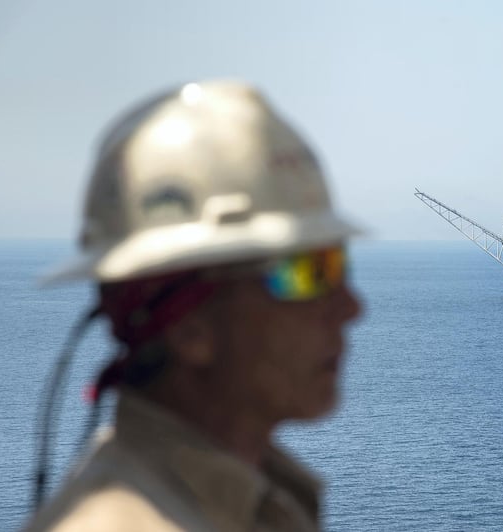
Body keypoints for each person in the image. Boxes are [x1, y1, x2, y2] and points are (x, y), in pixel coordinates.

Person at [24, 80, 362, 531]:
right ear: (189, 328)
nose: (350, 308)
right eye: (304, 272)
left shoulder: (255, 503)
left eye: (336, 264)